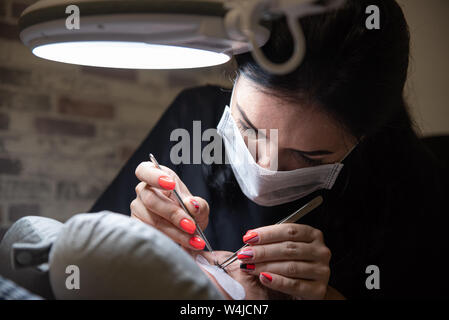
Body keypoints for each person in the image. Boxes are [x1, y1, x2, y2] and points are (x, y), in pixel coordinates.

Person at [91, 0, 449, 299]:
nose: (265, 167)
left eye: (309, 157)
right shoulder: (192, 119)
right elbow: (79, 261)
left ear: (364, 138)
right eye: (247, 128)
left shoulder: (411, 187)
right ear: (234, 77)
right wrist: (134, 238)